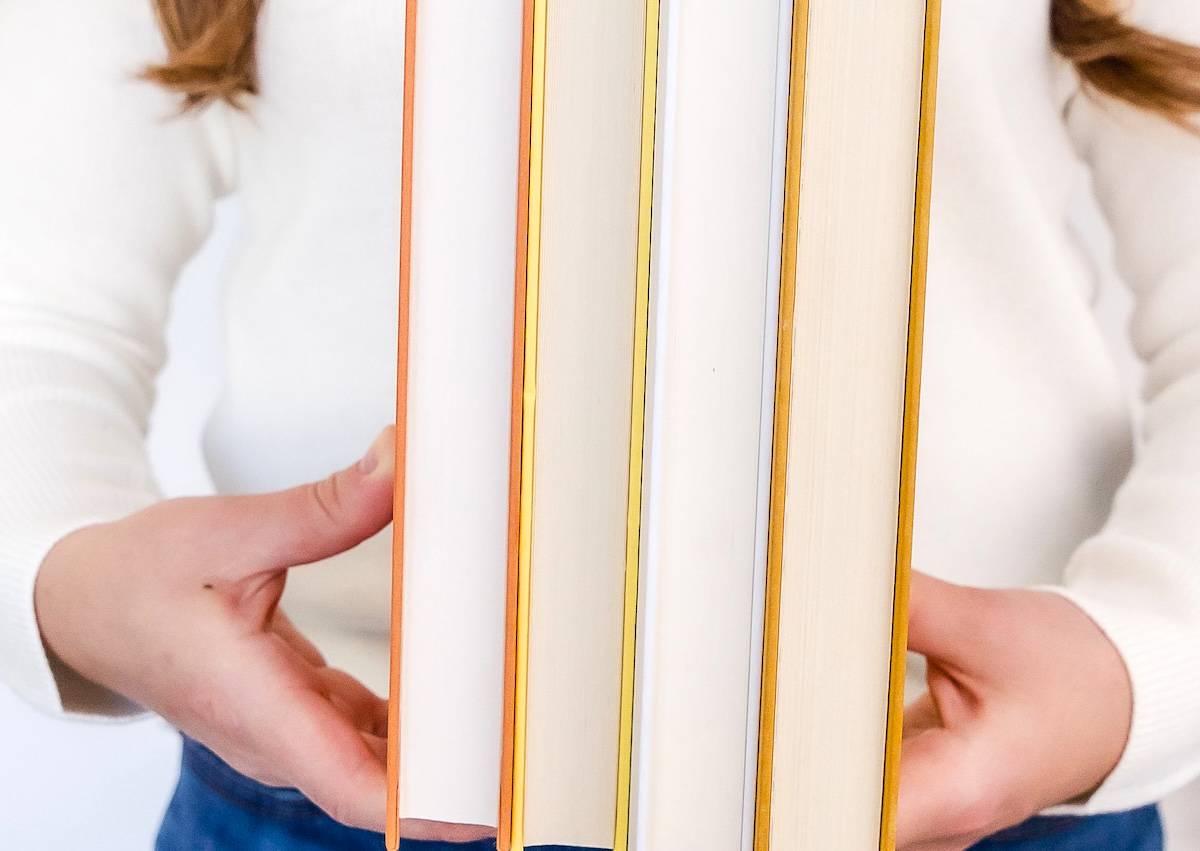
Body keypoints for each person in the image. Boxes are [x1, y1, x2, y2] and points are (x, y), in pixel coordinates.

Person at [0, 1, 1197, 849]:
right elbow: (40, 318)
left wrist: (1136, 662)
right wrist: (63, 575)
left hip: (978, 773)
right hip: (344, 773)